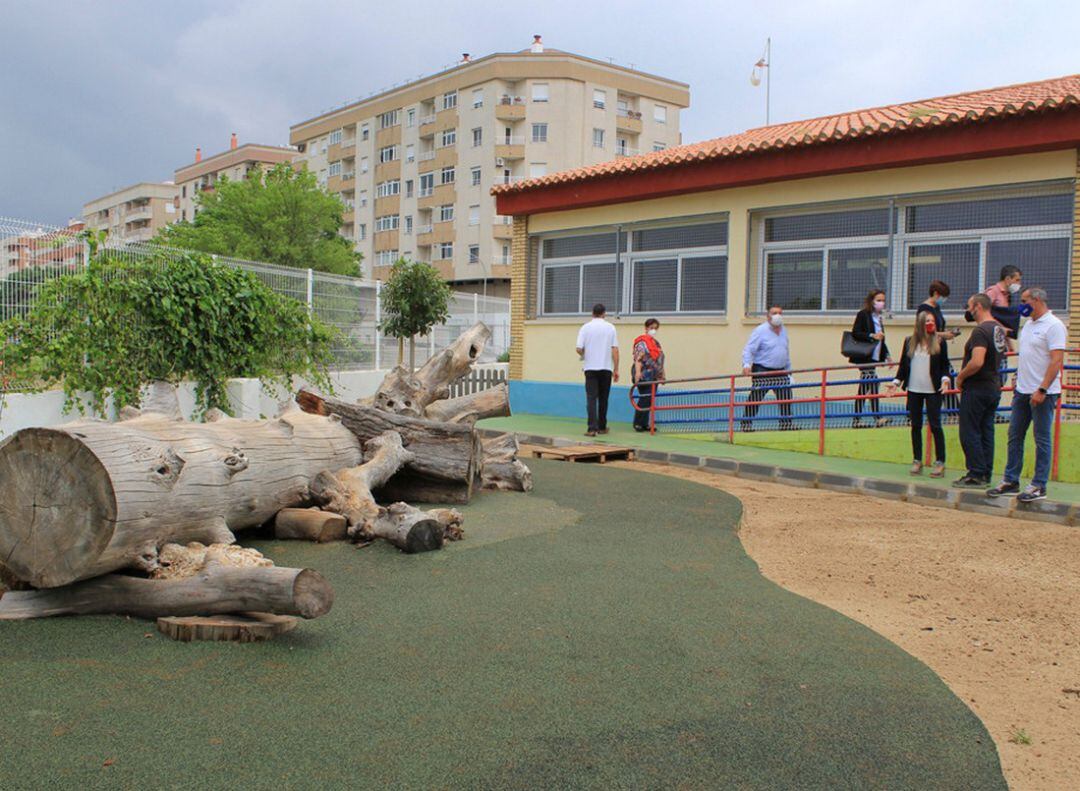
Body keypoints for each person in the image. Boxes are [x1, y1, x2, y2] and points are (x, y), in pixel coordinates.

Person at [986, 287, 1067, 503]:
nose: (1020, 305)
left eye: (1024, 300)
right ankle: (1011, 480)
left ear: (1037, 300)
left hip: (1043, 392)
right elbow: (1028, 355)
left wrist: (1042, 389)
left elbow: (1056, 360)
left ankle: (1039, 485)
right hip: (1022, 391)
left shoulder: (1054, 326)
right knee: (1015, 436)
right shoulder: (1029, 324)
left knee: (1041, 439)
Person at [953, 293, 1007, 488]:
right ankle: (985, 472)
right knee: (986, 430)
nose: (968, 311)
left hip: (977, 387)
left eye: (969, 306)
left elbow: (977, 361)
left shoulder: (980, 331)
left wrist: (961, 377)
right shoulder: (998, 329)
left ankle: (976, 473)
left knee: (970, 430)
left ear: (977, 306)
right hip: (993, 386)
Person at [887, 311, 951, 477]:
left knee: (935, 425)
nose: (931, 324)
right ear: (920, 324)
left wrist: (945, 380)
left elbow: (945, 365)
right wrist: (896, 383)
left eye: (932, 321)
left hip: (933, 390)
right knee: (915, 425)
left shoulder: (940, 342)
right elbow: (903, 366)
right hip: (914, 389)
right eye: (927, 321)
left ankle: (940, 462)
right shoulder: (910, 342)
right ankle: (917, 460)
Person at [741, 306, 793, 431]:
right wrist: (746, 364)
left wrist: (789, 371)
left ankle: (786, 424)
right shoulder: (760, 331)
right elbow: (749, 349)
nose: (778, 316)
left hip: (780, 371)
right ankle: (746, 424)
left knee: (786, 397)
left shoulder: (783, 331)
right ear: (768, 316)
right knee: (756, 397)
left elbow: (785, 351)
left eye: (780, 313)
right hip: (762, 369)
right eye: (775, 313)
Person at [575, 303, 619, 437]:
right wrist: (616, 369)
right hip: (606, 368)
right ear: (604, 313)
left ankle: (591, 428)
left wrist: (584, 354)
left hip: (590, 368)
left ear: (592, 313)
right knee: (604, 398)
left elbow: (578, 348)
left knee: (591, 398)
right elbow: (615, 350)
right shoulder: (611, 328)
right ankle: (602, 426)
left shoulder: (585, 328)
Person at [849, 289, 891, 428]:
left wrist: (887, 355)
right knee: (869, 384)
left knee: (869, 385)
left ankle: (866, 418)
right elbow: (856, 333)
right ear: (871, 301)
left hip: (875, 356)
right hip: (865, 356)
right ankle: (866, 418)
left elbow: (881, 338)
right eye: (878, 300)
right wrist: (871, 335)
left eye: (883, 300)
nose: (881, 303)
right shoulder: (863, 315)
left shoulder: (878, 317)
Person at [631, 318, 665, 432]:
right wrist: (638, 373)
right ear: (646, 328)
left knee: (650, 399)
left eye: (655, 328)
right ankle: (638, 423)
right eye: (651, 328)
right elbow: (638, 358)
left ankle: (645, 423)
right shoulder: (641, 342)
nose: (653, 330)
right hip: (644, 373)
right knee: (645, 397)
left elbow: (660, 360)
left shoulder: (656, 344)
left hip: (654, 373)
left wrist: (662, 375)